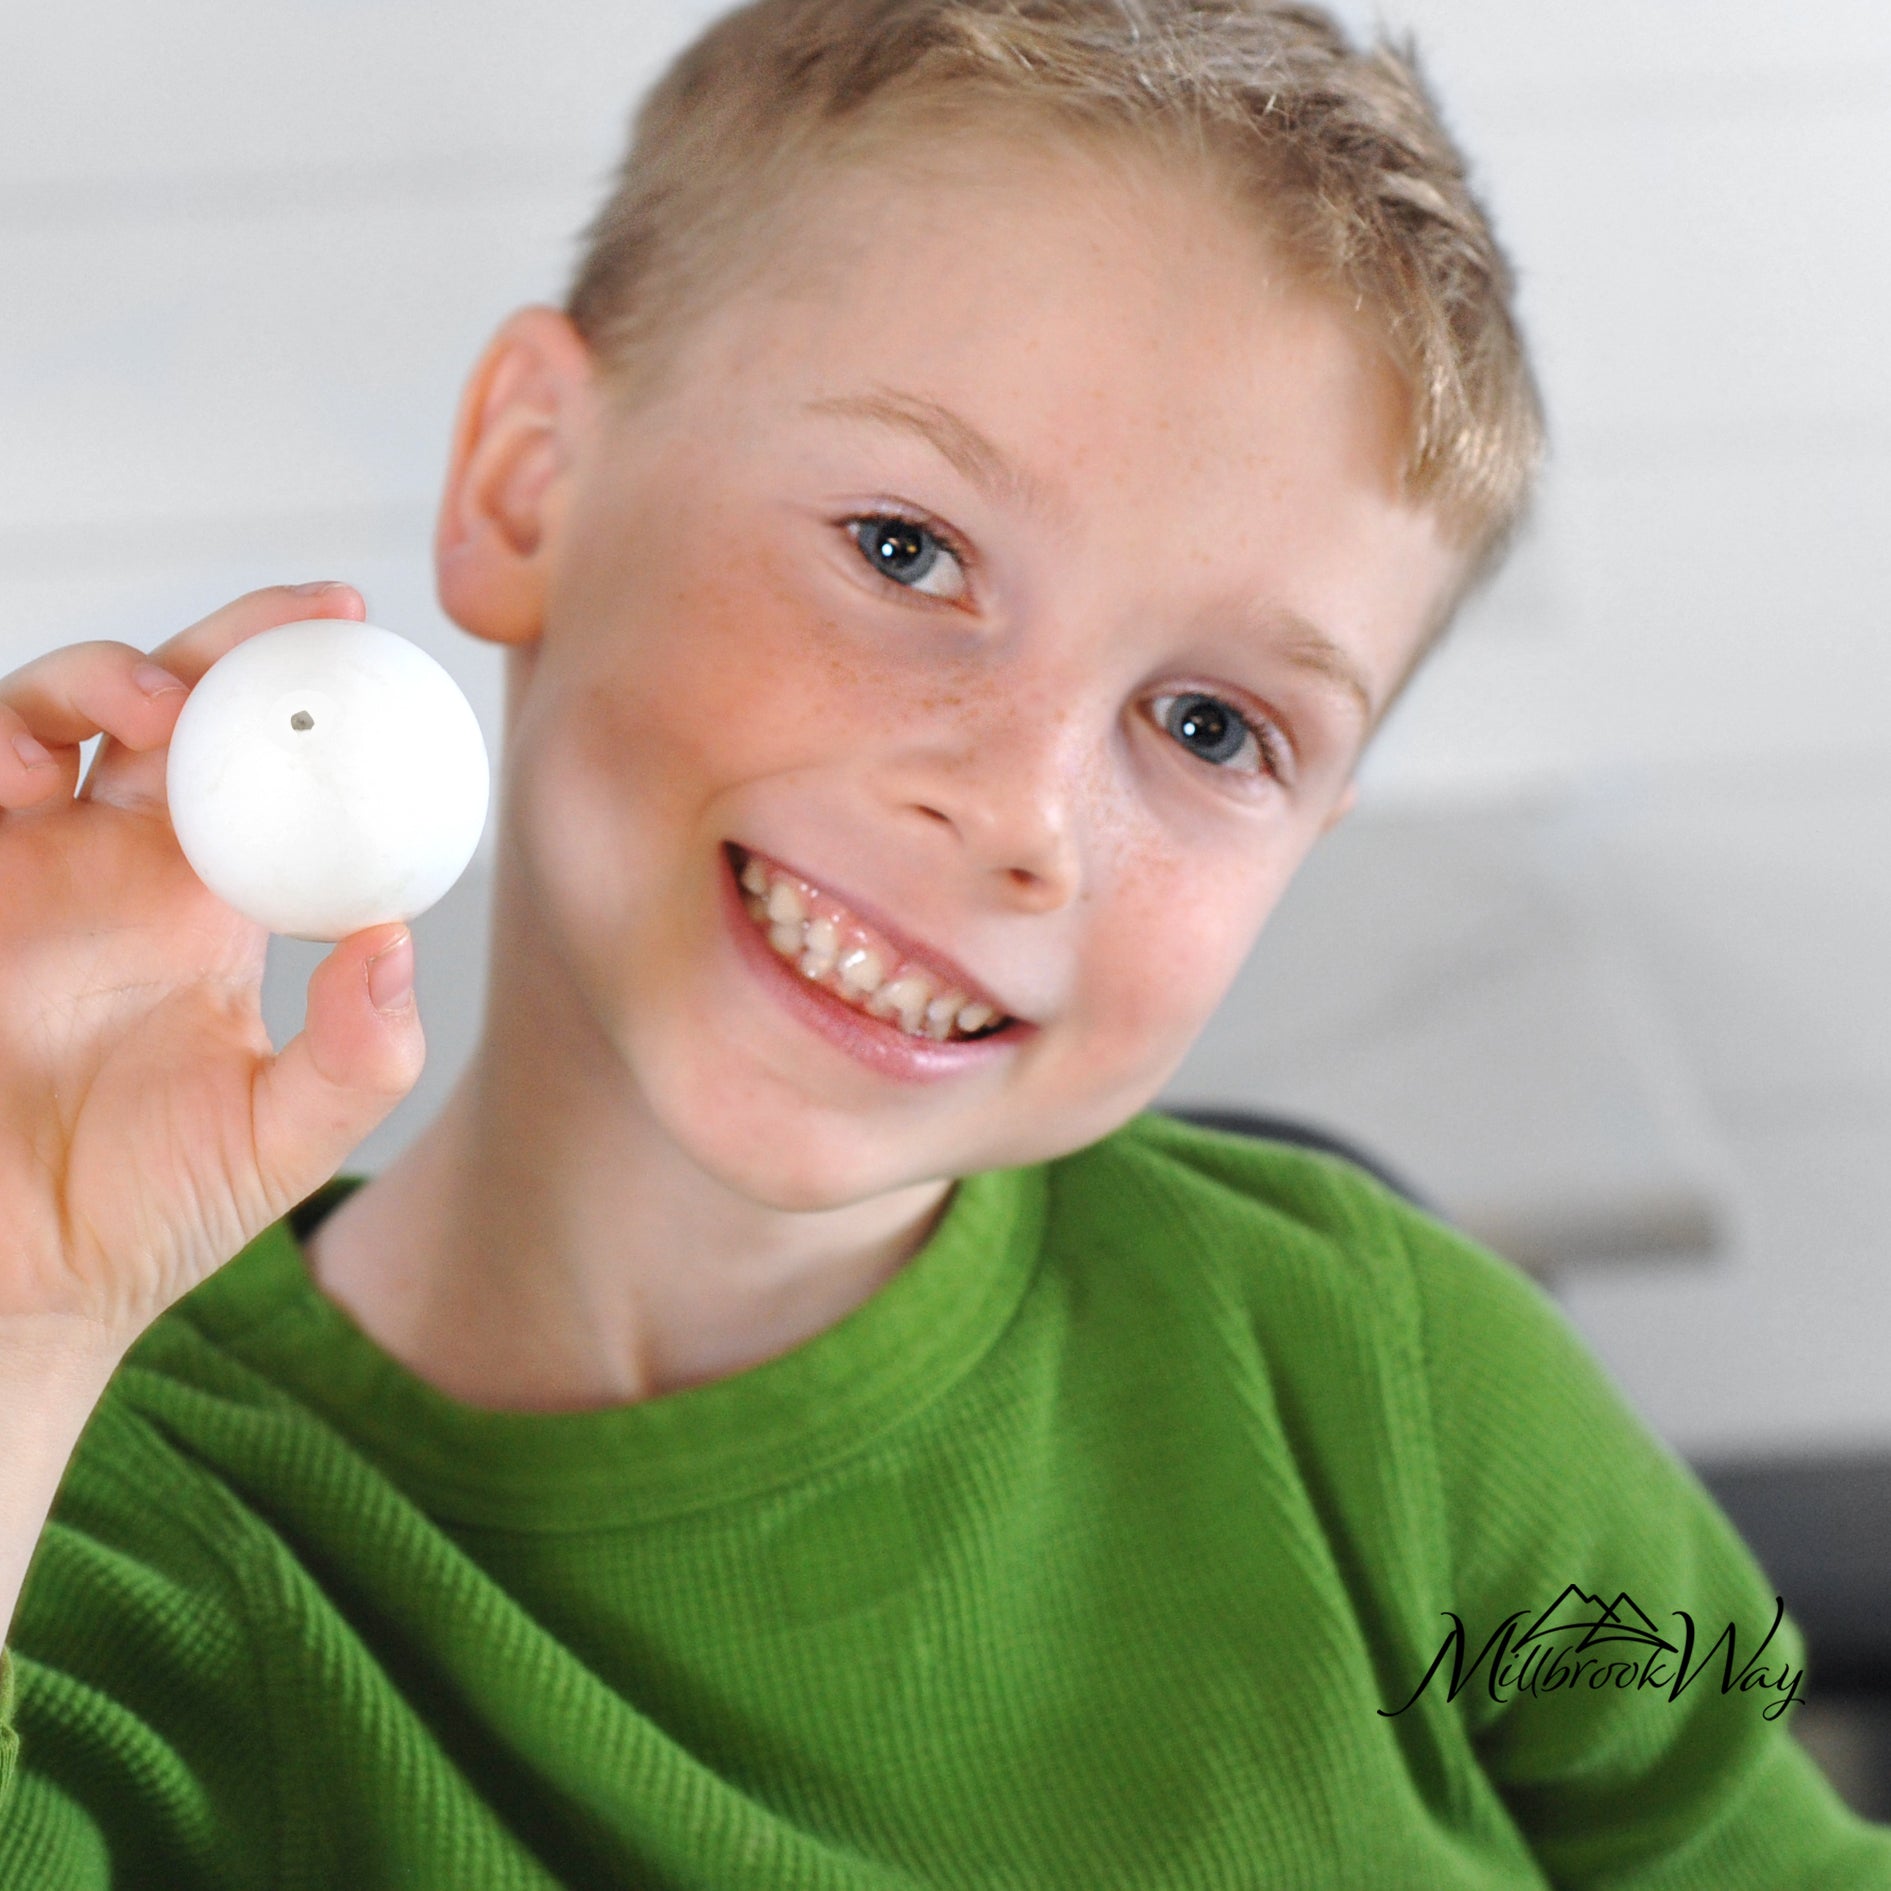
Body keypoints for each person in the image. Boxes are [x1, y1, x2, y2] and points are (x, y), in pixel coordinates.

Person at [1, 0, 1885, 1883]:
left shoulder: (1398, 1376)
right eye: (906, 548)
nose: (1021, 811)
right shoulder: (92, 1519)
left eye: (1214, 727)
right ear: (530, 487)